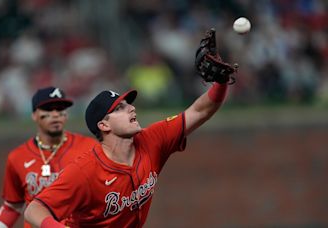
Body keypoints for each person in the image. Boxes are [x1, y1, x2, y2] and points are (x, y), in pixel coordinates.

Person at [24, 29, 234, 227]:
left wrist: (221, 82)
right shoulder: (84, 172)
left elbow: (199, 111)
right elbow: (34, 209)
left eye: (128, 104)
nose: (131, 109)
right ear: (104, 125)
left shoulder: (152, 139)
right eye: (120, 108)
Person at [0, 86, 98, 228]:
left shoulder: (90, 148)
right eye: (48, 109)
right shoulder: (17, 157)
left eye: (60, 109)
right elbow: (12, 206)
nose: (55, 114)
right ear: (34, 114)